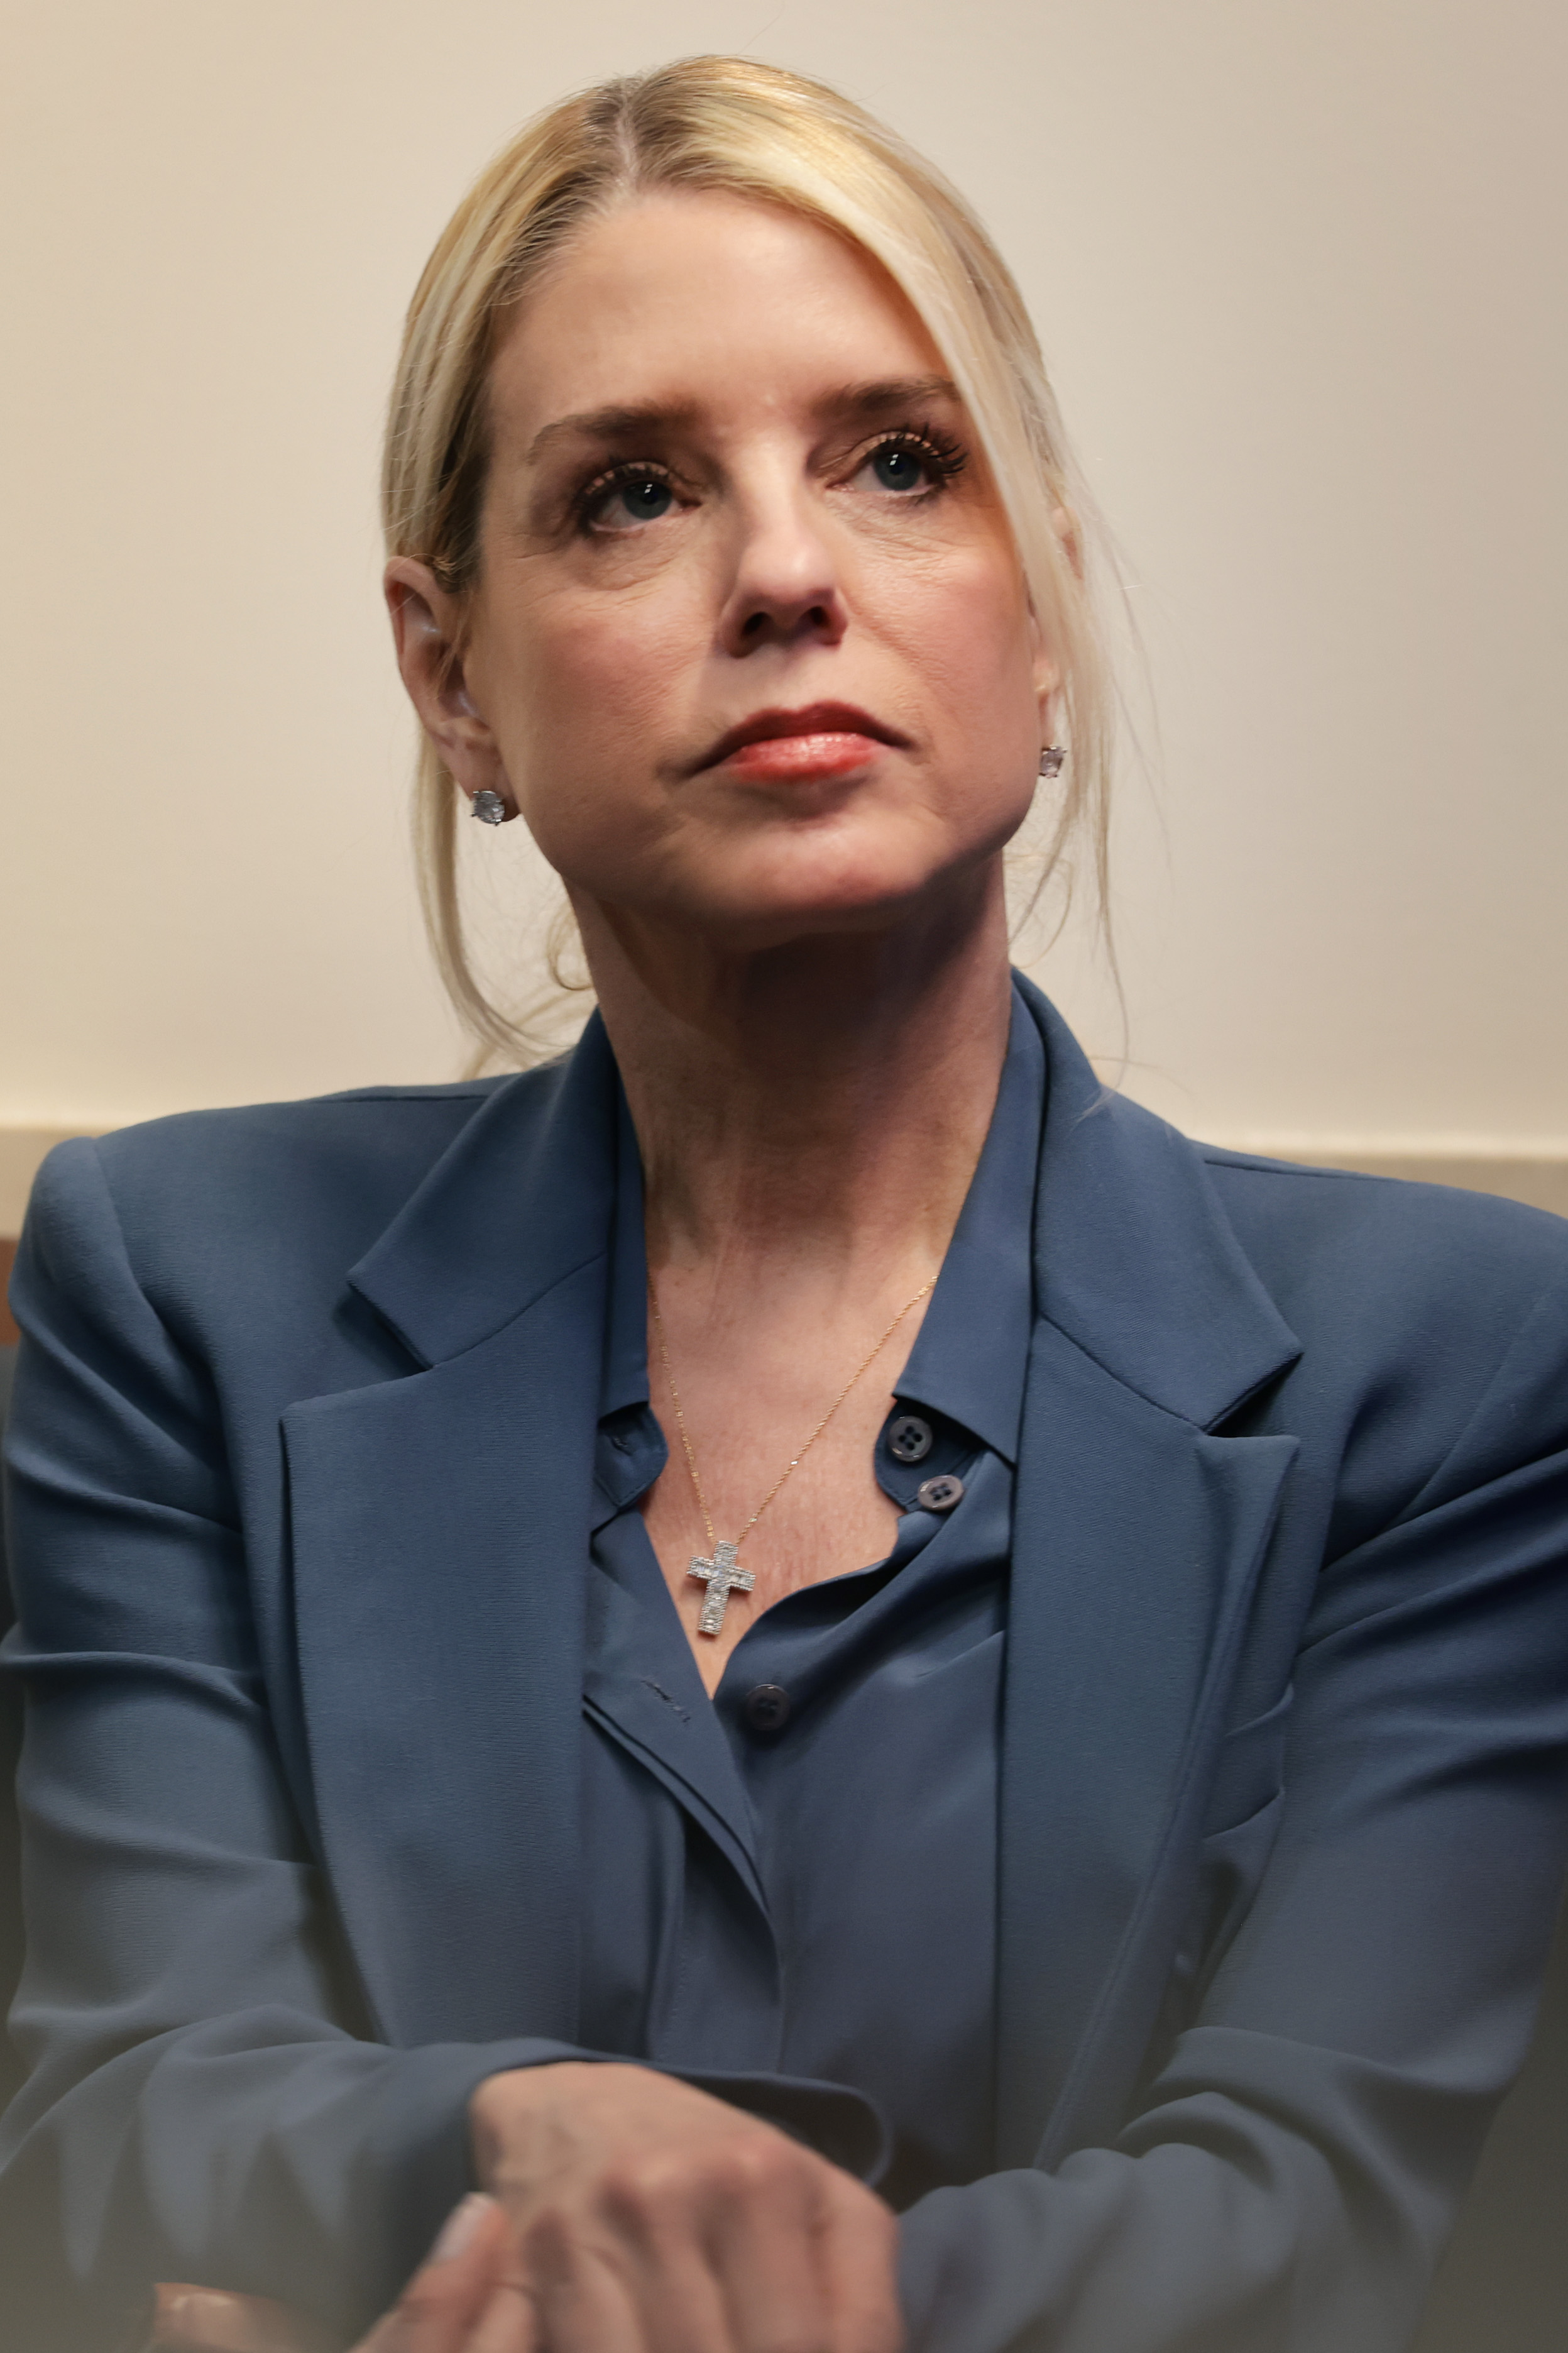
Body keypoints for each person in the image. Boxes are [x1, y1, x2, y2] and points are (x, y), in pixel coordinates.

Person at [2, 53, 1567, 2353]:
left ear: (1043, 607)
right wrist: (520, 2127)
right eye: (632, 493)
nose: (789, 575)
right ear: (453, 678)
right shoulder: (174, 1287)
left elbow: (1306, 2228)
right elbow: (129, 2100)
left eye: (901, 461)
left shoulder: (1473, 1366)